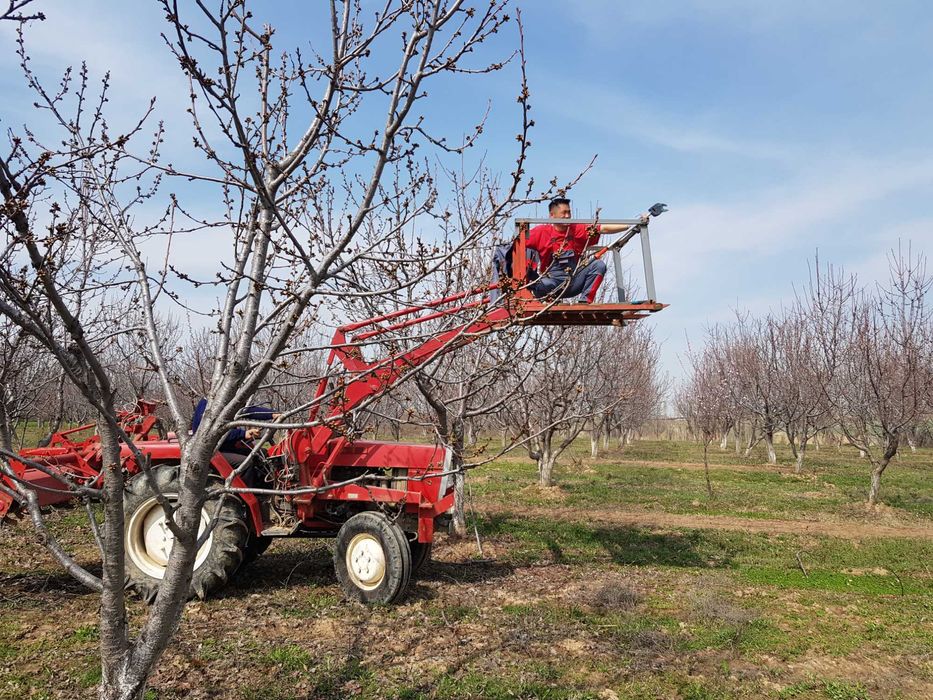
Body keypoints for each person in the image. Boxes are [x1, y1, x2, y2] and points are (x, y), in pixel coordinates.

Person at [526, 197, 642, 303]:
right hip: (551, 284)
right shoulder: (541, 232)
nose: (567, 216)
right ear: (552, 215)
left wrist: (631, 224)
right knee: (539, 284)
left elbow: (603, 228)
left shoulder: (577, 229)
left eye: (569, 212)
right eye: (564, 213)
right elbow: (518, 244)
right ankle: (550, 300)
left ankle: (585, 301)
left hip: (573, 281)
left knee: (598, 265)